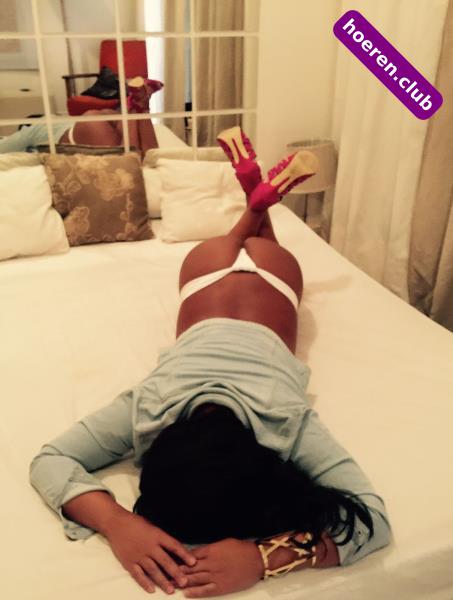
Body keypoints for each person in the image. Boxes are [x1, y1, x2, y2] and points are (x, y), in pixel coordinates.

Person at [30, 127, 391, 598]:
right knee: (254, 244)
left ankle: (257, 204)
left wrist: (262, 558)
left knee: (262, 247)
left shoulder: (285, 422)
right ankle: (257, 203)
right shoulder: (150, 408)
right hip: (208, 277)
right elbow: (370, 518)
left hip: (264, 283)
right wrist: (118, 521)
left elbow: (52, 461)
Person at [0, 77, 161, 157]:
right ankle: (138, 104)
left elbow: (4, 147)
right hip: (97, 117)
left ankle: (133, 105)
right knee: (150, 155)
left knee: (129, 160)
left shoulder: (32, 129)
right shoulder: (58, 119)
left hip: (80, 132)